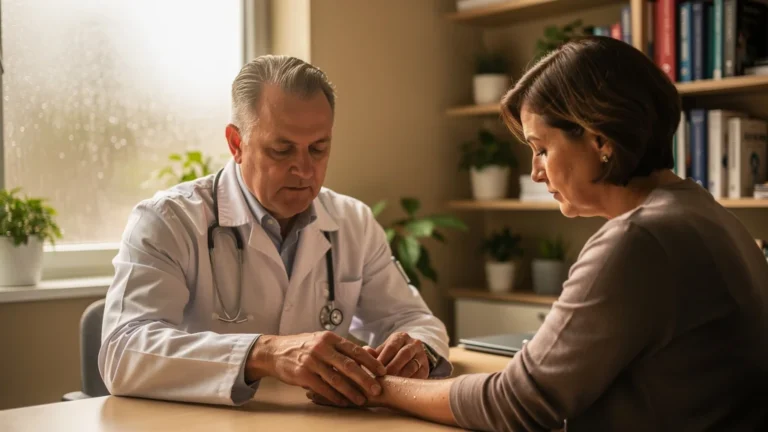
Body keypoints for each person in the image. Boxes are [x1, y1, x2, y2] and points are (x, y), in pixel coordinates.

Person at [327, 36, 768, 431]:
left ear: (600, 140)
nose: (535, 172)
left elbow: (517, 403)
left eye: (541, 149)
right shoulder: (706, 214)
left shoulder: (639, 241)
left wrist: (382, 387)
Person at [98, 55, 452, 407]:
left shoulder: (353, 222)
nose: (304, 169)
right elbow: (123, 352)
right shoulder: (168, 220)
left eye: (318, 148)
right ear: (237, 144)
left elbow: (415, 320)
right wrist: (263, 354)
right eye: (282, 150)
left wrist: (418, 349)